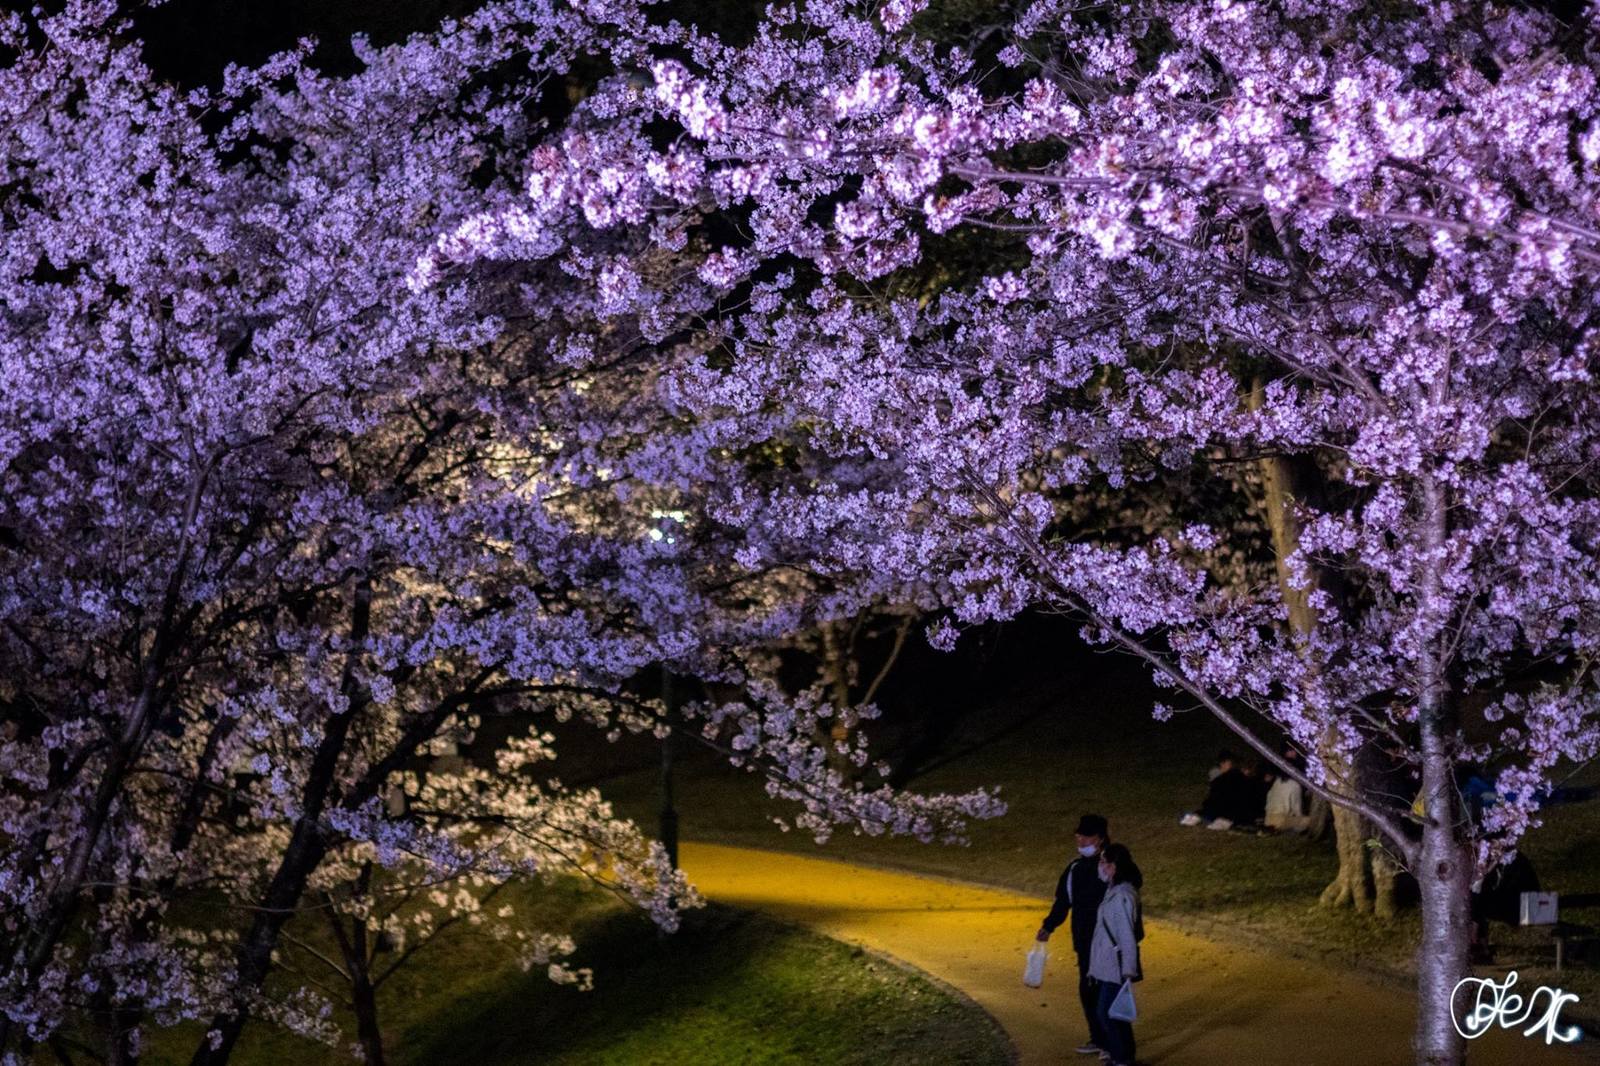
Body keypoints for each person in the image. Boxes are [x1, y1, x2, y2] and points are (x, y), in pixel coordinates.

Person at [1036, 814, 1111, 1057]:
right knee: (1088, 989)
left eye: (1086, 835)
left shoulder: (1111, 864)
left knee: (1105, 990)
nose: (1080, 839)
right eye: (1078, 835)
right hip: (1083, 939)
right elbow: (1063, 902)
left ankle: (1113, 1043)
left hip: (1108, 939)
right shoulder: (1074, 868)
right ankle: (1098, 1038)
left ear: (1099, 838)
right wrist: (1049, 926)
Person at [1089, 842, 1144, 1066]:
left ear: (1113, 866)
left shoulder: (1122, 896)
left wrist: (1128, 969)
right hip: (1109, 964)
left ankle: (1121, 1059)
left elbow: (1126, 935)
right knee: (1115, 1013)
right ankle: (1124, 1056)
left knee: (1106, 1013)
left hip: (1116, 966)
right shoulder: (1114, 891)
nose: (1100, 867)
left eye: (1103, 862)